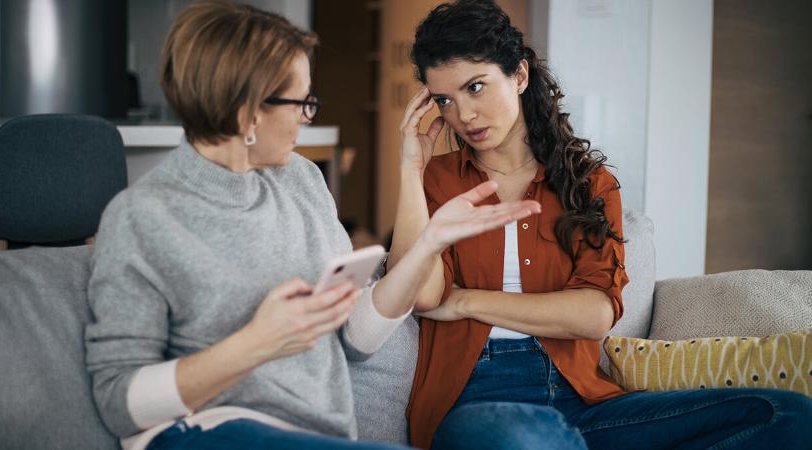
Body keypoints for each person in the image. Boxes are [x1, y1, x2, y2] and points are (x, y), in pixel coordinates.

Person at [83, 2, 541, 450]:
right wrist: (257, 342)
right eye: (301, 102)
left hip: (319, 434)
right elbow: (119, 401)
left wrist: (430, 243)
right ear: (249, 113)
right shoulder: (143, 216)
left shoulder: (301, 181)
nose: (309, 116)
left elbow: (358, 339)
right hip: (205, 429)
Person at [387, 1, 812, 449]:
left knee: (786, 412)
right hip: (477, 404)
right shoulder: (437, 179)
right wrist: (410, 171)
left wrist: (466, 301)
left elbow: (593, 315)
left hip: (582, 403)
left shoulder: (588, 183)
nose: (464, 115)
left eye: (476, 87)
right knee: (518, 439)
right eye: (445, 100)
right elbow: (419, 294)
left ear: (519, 76)